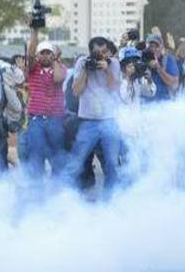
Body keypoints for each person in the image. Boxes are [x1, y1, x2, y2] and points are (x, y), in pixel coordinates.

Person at [62, 37, 123, 191]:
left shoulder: (114, 63)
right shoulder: (82, 63)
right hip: (88, 122)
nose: (101, 56)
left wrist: (107, 69)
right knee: (76, 162)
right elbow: (76, 91)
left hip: (109, 121)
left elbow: (114, 88)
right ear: (90, 53)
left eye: (104, 52)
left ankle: (112, 199)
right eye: (97, 53)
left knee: (112, 163)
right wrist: (86, 71)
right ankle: (67, 197)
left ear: (108, 52)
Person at [21, 30, 67, 178]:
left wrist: (56, 61)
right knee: (36, 154)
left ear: (53, 55)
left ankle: (57, 189)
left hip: (56, 119)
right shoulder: (33, 69)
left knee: (57, 155)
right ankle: (37, 190)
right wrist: (34, 32)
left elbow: (58, 79)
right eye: (43, 53)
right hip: (37, 120)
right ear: (38, 55)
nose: (45, 56)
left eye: (48, 53)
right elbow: (29, 54)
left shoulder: (60, 67)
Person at [143, 33, 180, 101]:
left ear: (161, 47)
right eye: (150, 46)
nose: (153, 49)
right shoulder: (141, 58)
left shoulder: (167, 59)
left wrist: (158, 68)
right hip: (144, 105)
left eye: (156, 46)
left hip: (163, 105)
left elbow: (174, 85)